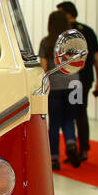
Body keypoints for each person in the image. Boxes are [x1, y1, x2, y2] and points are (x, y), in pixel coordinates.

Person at [55, 0, 98, 162]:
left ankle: (73, 147)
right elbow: (97, 57)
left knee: (69, 113)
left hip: (70, 81)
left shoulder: (65, 34)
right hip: (85, 79)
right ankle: (83, 149)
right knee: (81, 112)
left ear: (67, 13)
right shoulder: (88, 31)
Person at [39, 9, 80, 170]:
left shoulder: (46, 42)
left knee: (54, 122)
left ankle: (54, 158)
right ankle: (70, 144)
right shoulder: (74, 42)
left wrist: (44, 83)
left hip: (55, 86)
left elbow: (43, 67)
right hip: (73, 85)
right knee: (70, 119)